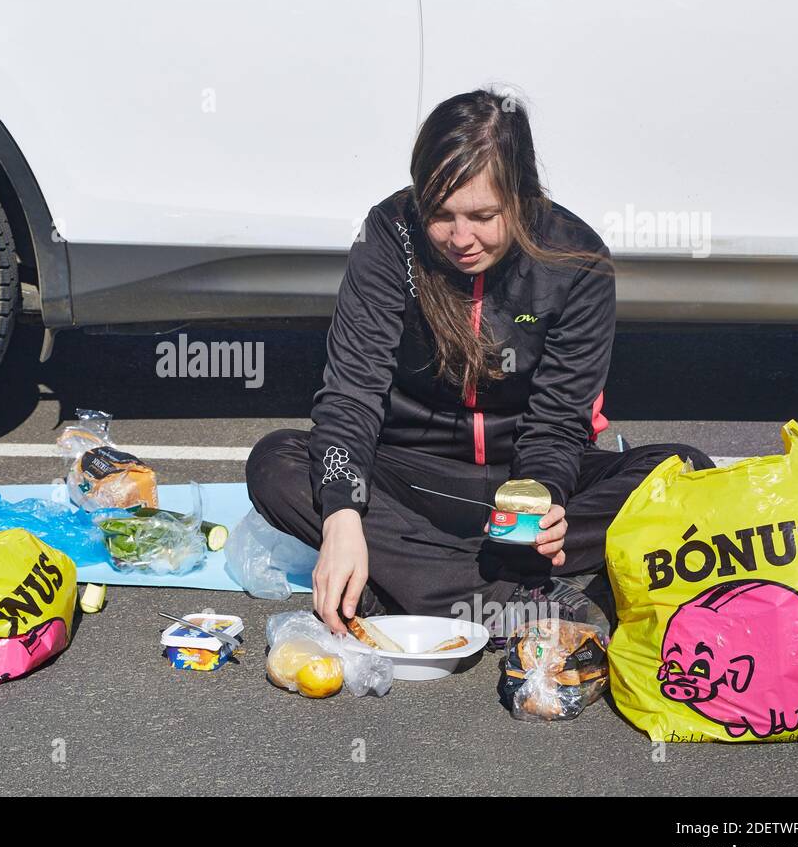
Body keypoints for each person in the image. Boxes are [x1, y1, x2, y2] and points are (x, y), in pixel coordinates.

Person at [246, 89, 713, 638]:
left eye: (483, 216)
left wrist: (541, 503)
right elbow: (352, 393)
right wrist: (343, 517)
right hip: (410, 479)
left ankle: (418, 580)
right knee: (277, 462)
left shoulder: (576, 258)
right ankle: (500, 593)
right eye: (440, 215)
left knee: (684, 473)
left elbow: (559, 422)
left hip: (522, 484)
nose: (460, 239)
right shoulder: (388, 236)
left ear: (521, 196)